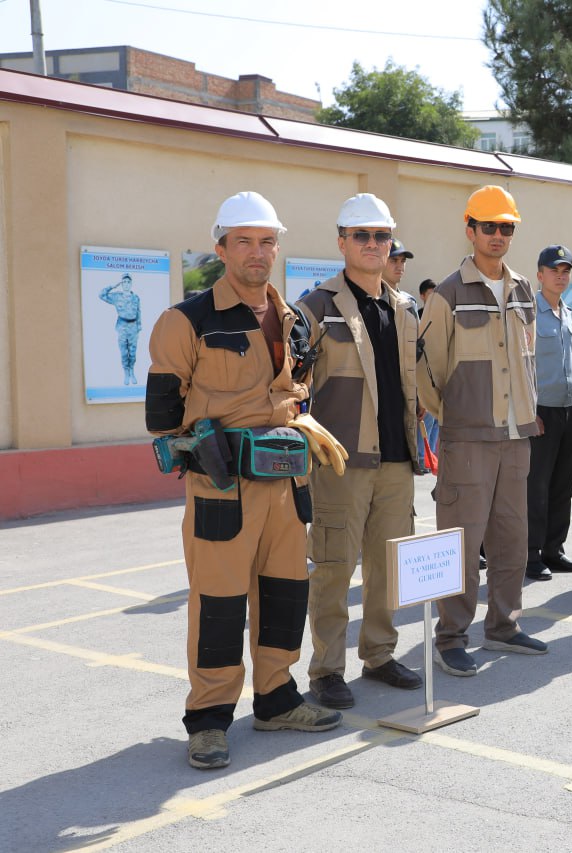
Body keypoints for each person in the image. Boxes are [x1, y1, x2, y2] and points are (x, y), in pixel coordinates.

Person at [147, 191, 341, 770]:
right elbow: (162, 415)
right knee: (219, 603)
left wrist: (299, 421)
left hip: (287, 483)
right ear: (222, 249)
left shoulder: (294, 319)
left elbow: (297, 391)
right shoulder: (187, 321)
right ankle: (209, 719)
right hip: (222, 486)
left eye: (267, 241)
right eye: (244, 242)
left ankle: (277, 698)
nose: (257, 252)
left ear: (277, 248)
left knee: (286, 592)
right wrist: (210, 445)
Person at [298, 194, 425, 709]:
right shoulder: (315, 307)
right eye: (361, 235)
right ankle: (327, 669)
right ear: (342, 242)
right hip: (340, 462)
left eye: (381, 235)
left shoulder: (405, 308)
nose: (373, 244)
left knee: (387, 566)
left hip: (396, 459)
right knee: (334, 567)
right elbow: (294, 386)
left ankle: (379, 654)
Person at [418, 185, 548, 676]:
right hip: (468, 439)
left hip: (516, 438)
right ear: (470, 229)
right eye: (488, 226)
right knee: (461, 544)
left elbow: (529, 356)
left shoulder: (523, 289)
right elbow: (426, 371)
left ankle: (504, 626)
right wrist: (459, 417)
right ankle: (451, 637)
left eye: (506, 227)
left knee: (512, 539)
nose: (498, 235)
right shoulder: (449, 294)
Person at [526, 245, 572, 581]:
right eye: (554, 270)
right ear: (540, 275)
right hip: (541, 411)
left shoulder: (567, 312)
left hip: (567, 409)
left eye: (565, 271)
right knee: (536, 487)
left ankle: (554, 550)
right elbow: (522, 365)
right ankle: (530, 554)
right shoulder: (529, 314)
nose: (561, 276)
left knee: (563, 485)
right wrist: (529, 410)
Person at [101, 273, 143, 385]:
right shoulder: (117, 296)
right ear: (121, 284)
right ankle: (126, 373)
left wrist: (139, 326)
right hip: (122, 326)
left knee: (133, 352)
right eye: (124, 282)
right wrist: (113, 286)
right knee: (124, 352)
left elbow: (138, 312)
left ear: (131, 283)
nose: (126, 284)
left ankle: (132, 372)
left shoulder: (136, 298)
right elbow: (101, 295)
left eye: (128, 282)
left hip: (133, 327)